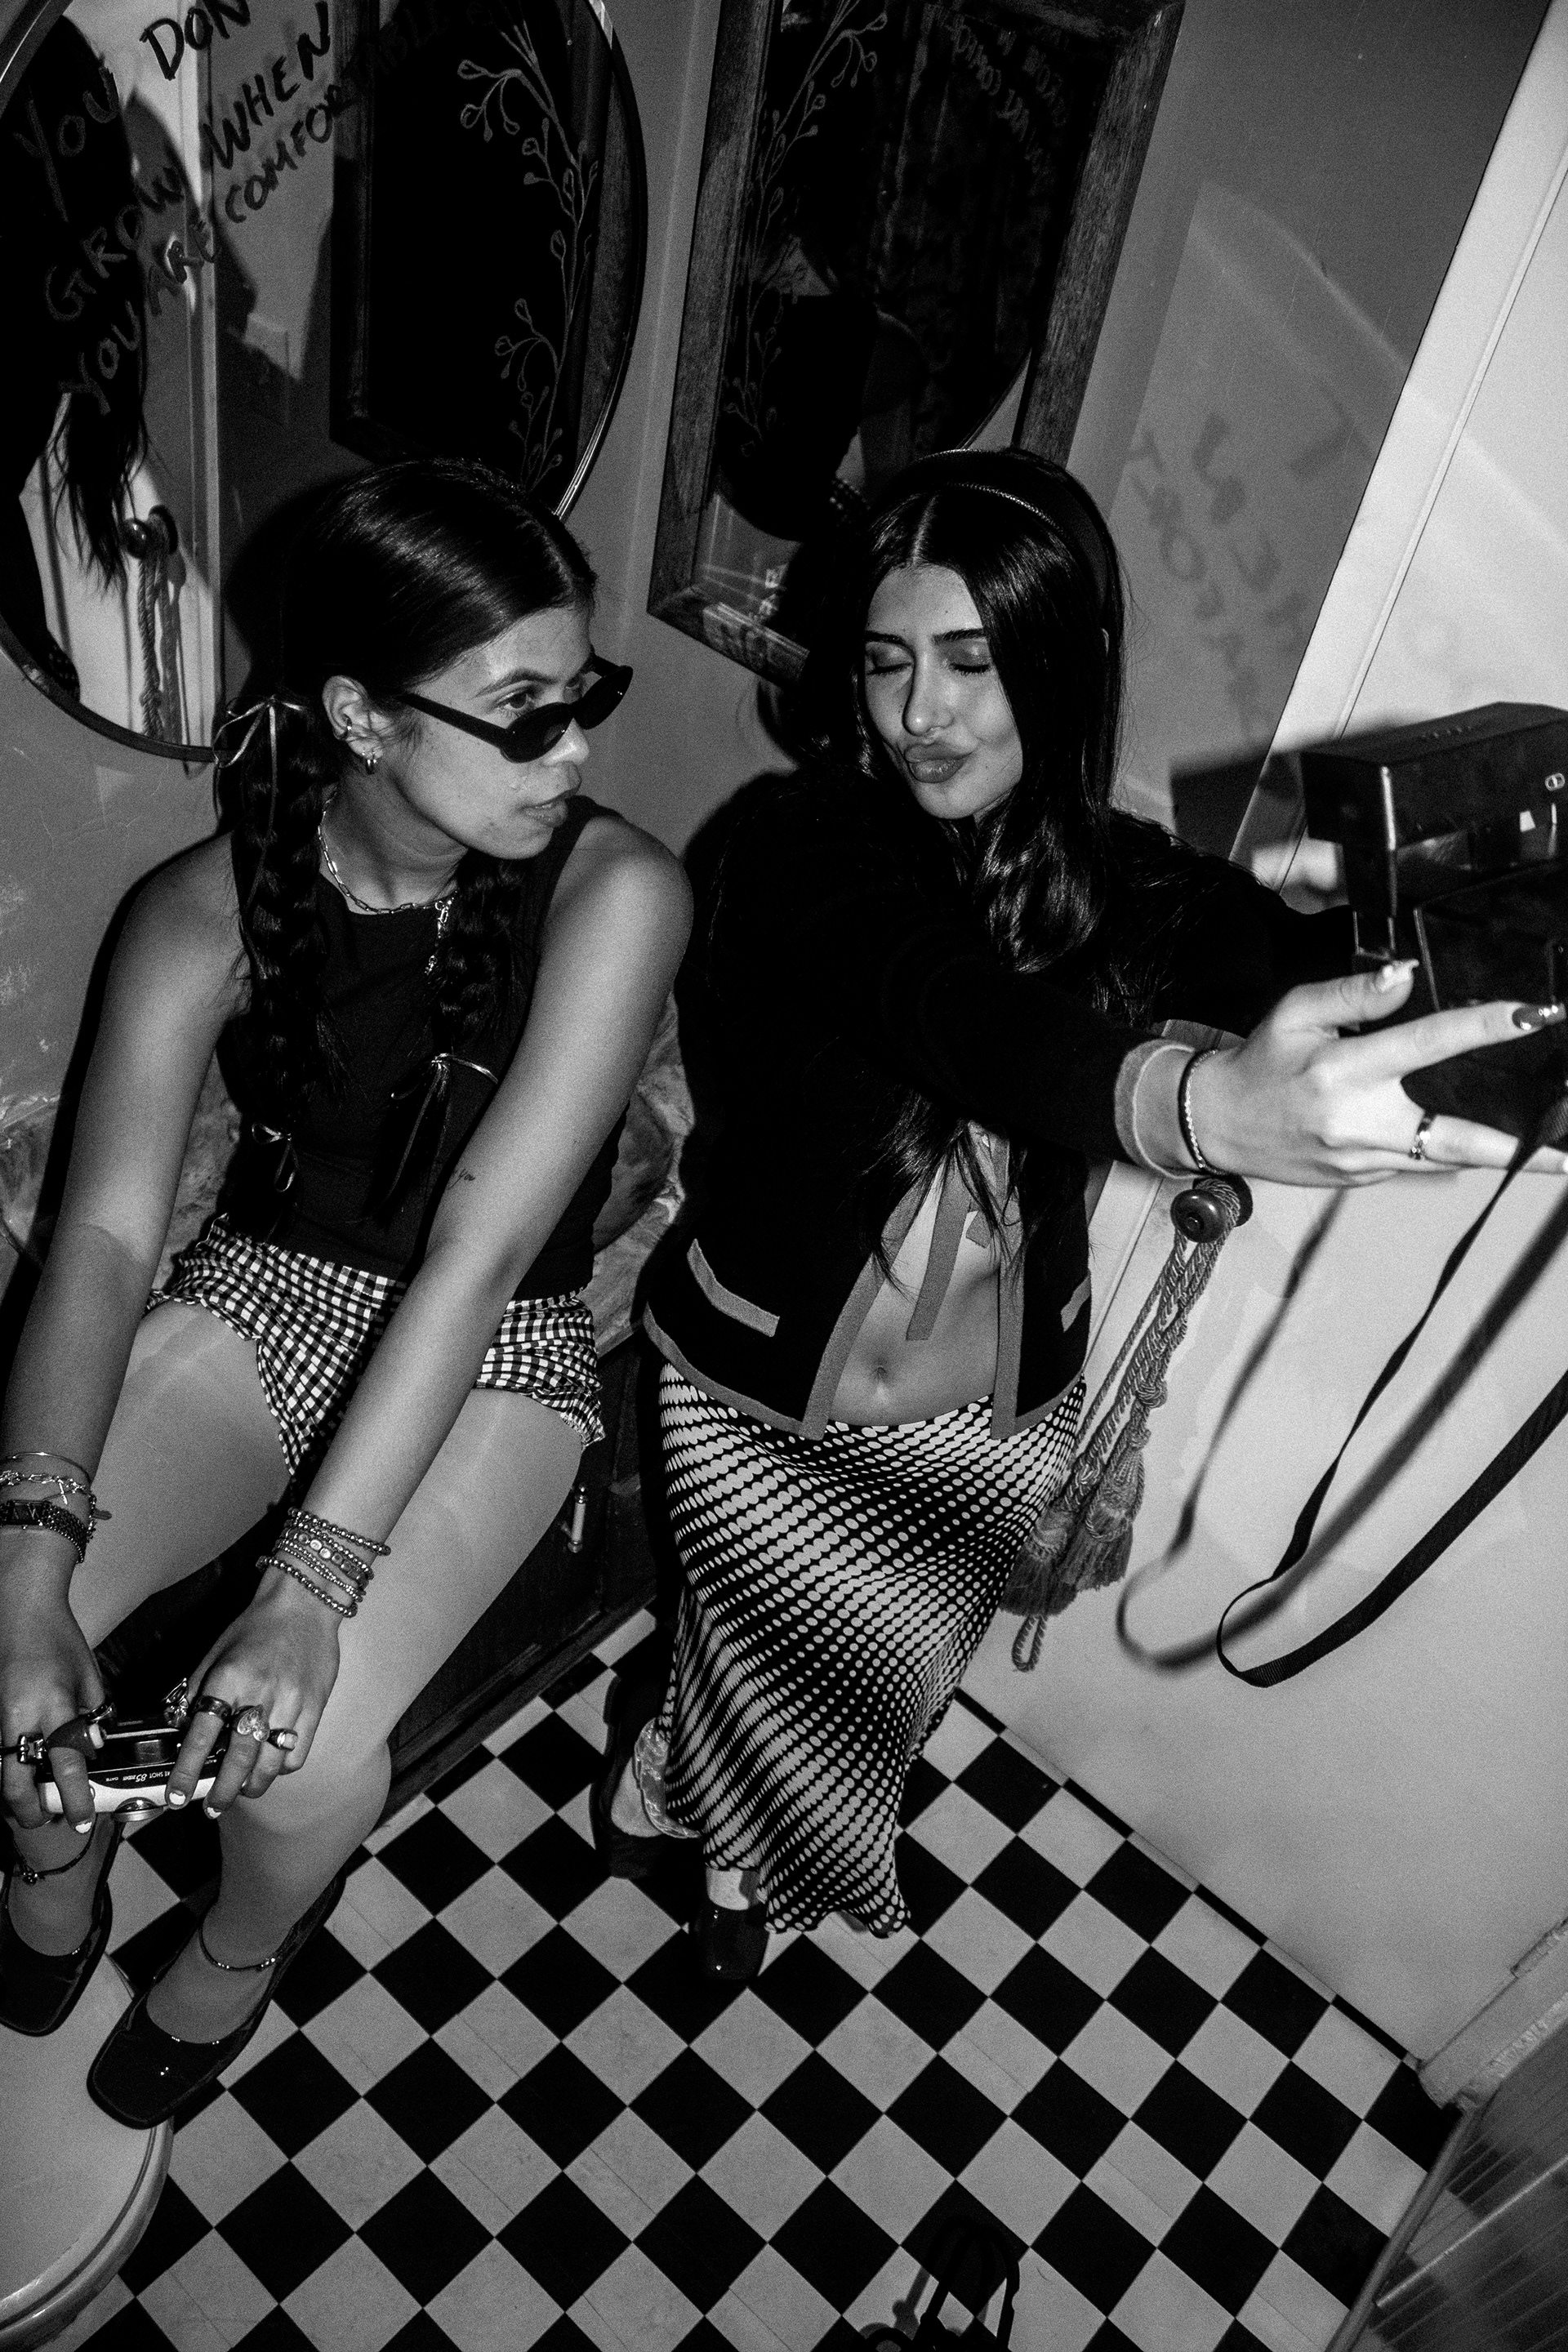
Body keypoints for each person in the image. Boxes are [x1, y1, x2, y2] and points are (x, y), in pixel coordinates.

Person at [599, 446, 1567, 1980]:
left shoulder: (1123, 881)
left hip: (987, 1426)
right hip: (757, 1399)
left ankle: (733, 1825)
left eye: (973, 662)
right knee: (741, 1655)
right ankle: (693, 1804)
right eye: (889, 662)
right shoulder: (796, 848)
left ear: (1061, 660)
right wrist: (1199, 1109)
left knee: (870, 1691)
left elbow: (1294, 961)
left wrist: (1494, 965)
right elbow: (950, 1010)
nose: (922, 713)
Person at [0, 459, 690, 2121]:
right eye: (523, 714)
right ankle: (55, 1865)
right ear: (364, 719)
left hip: (501, 1348)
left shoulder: (621, 893)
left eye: (584, 696)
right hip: (266, 1293)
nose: (577, 752)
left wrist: (308, 1588)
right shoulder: (200, 909)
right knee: (1, 1636)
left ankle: (240, 1948)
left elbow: (478, 1259)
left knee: (295, 1759)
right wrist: (32, 1562)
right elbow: (103, 1241)